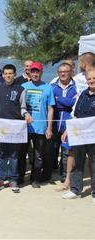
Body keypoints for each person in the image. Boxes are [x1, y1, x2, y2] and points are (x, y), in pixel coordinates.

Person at [0, 64, 31, 193]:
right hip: (1, 126)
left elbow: (23, 107)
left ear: (14, 74)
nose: (8, 76)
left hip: (16, 127)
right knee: (2, 154)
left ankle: (14, 179)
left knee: (14, 155)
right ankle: (0, 178)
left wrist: (26, 114)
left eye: (10, 73)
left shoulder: (21, 89)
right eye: (6, 73)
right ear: (2, 75)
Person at [19, 62, 55, 188]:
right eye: (33, 71)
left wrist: (49, 128)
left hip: (40, 128)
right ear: (29, 72)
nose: (35, 74)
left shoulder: (48, 87)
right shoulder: (23, 86)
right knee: (22, 154)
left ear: (41, 72)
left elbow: (50, 109)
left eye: (37, 71)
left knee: (39, 155)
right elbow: (18, 106)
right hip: (25, 127)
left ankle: (35, 179)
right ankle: (20, 177)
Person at [62, 69, 95, 204]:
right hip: (80, 135)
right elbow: (75, 115)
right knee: (77, 162)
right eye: (89, 79)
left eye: (94, 78)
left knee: (94, 163)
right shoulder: (83, 95)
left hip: (93, 136)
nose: (92, 81)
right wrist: (66, 131)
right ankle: (75, 189)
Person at [51, 62, 77, 191]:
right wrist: (66, 102)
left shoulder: (76, 86)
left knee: (67, 152)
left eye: (65, 71)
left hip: (69, 123)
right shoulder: (52, 86)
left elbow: (74, 104)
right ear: (57, 73)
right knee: (52, 149)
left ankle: (65, 177)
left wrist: (58, 99)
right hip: (55, 122)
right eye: (60, 71)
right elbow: (51, 103)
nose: (63, 74)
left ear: (70, 72)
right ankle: (51, 172)